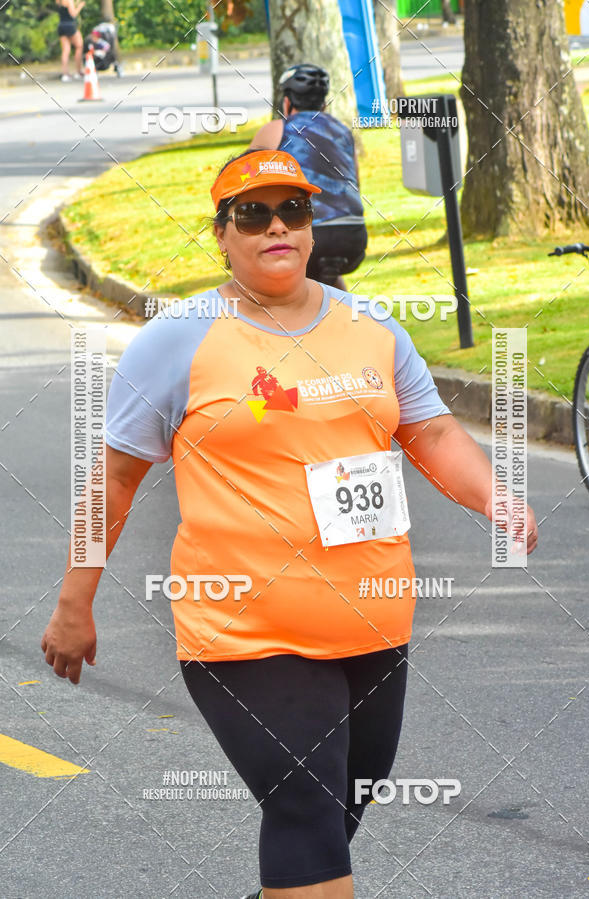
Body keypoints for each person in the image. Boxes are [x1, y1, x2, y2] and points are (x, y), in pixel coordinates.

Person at [40, 147, 538, 899]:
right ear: (221, 234)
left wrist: (496, 496)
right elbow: (113, 479)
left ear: (311, 227)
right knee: (306, 803)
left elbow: (432, 431)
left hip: (371, 620)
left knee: (339, 808)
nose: (276, 226)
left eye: (293, 210)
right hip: (243, 627)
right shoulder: (179, 339)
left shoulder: (372, 326)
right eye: (253, 214)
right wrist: (73, 603)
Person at [250, 63, 367, 291]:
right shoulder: (343, 131)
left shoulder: (276, 130)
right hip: (352, 235)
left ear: (287, 103)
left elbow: (244, 180)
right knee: (328, 284)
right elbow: (356, 185)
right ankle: (349, 312)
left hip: (310, 234)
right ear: (324, 104)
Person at [56, 0, 85, 82]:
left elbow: (65, 10)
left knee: (65, 50)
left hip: (61, 26)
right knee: (79, 46)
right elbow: (73, 14)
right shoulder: (69, 0)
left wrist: (76, 3)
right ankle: (78, 71)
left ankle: (65, 74)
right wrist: (80, 6)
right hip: (70, 25)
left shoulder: (58, 1)